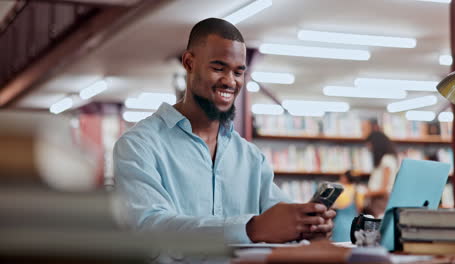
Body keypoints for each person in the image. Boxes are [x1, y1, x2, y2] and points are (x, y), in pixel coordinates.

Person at [113, 18, 335, 244]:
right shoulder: (138, 145)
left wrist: (304, 227)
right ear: (189, 63)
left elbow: (278, 222)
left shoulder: (251, 158)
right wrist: (250, 229)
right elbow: (151, 229)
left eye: (238, 72)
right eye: (218, 68)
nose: (230, 81)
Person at [363, 131, 399, 218]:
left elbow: (384, 189)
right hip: (378, 200)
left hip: (381, 201)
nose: (369, 148)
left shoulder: (387, 160)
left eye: (370, 144)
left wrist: (365, 193)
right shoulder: (384, 160)